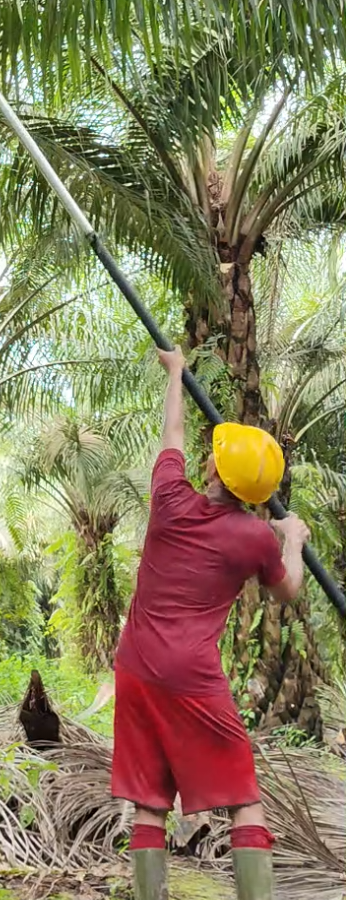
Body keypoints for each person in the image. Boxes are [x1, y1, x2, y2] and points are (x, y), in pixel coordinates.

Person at [111, 346, 311, 900]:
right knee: (244, 794)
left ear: (213, 470)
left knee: (150, 799)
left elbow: (171, 435)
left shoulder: (169, 498)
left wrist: (176, 373)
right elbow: (286, 589)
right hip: (191, 676)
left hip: (135, 667)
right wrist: (290, 539)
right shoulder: (254, 538)